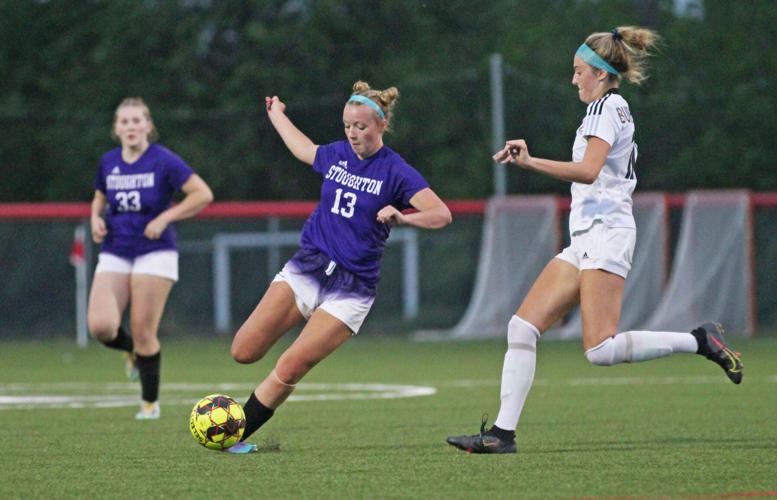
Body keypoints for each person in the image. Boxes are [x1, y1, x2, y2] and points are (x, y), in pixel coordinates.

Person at [446, 26, 743, 454]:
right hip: (586, 236)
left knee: (600, 350)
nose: (573, 79)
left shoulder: (608, 107)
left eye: (578, 71)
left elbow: (588, 170)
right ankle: (501, 435)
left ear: (601, 74)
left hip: (607, 234)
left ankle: (700, 340)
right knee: (522, 327)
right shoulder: (603, 109)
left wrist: (530, 162)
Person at [226, 81, 452, 453]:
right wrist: (277, 116)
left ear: (381, 126)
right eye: (347, 125)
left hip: (352, 288)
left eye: (360, 127)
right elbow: (303, 149)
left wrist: (404, 217)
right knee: (243, 350)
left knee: (292, 363)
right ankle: (237, 427)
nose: (352, 133)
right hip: (308, 268)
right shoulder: (337, 155)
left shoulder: (395, 170)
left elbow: (441, 214)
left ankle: (235, 436)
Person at [87, 97, 213, 420]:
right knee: (101, 326)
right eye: (124, 121)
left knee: (143, 331)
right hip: (116, 248)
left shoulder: (164, 160)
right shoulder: (108, 162)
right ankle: (129, 352)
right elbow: (99, 198)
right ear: (116, 129)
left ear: (148, 126)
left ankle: (149, 404)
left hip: (154, 251)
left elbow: (202, 194)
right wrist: (95, 219)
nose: (131, 126)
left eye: (136, 120)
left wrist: (166, 218)